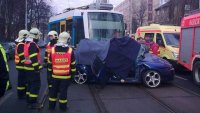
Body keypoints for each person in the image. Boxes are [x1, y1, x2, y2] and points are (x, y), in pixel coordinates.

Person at [48, 32, 76, 111]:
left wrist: (49, 75)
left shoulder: (53, 49)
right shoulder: (70, 50)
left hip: (54, 76)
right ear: (67, 39)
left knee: (53, 93)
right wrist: (73, 75)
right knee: (63, 93)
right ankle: (63, 108)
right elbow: (73, 65)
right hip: (65, 77)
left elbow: (50, 64)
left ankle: (51, 107)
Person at [24, 28, 42, 109]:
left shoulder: (27, 43)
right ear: (35, 35)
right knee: (35, 86)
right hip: (32, 69)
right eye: (38, 35)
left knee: (30, 85)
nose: (38, 37)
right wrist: (37, 68)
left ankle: (28, 100)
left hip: (27, 68)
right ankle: (33, 103)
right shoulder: (32, 44)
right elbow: (33, 58)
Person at [15, 30, 29, 99]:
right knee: (21, 81)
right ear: (24, 36)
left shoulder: (21, 44)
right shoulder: (21, 45)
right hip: (21, 66)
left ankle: (22, 93)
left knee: (23, 81)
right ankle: (20, 94)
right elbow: (22, 57)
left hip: (20, 66)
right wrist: (27, 64)